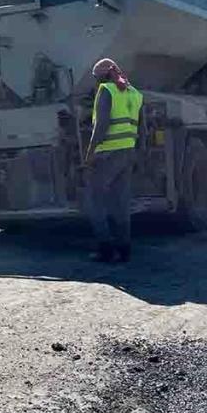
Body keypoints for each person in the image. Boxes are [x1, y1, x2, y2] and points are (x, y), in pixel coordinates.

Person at [83, 58, 145, 263]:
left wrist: (89, 154)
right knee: (120, 203)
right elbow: (143, 130)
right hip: (127, 153)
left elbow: (100, 127)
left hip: (107, 154)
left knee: (95, 201)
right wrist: (138, 154)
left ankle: (106, 249)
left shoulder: (106, 91)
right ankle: (124, 249)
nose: (95, 83)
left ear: (102, 76)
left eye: (95, 78)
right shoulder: (135, 94)